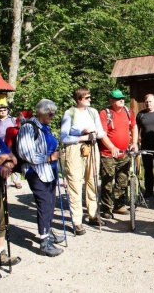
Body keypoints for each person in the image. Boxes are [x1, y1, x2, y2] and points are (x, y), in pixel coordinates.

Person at [17, 99, 65, 256]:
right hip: (36, 173)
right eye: (50, 113)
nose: (53, 115)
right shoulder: (28, 127)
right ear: (41, 112)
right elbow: (26, 153)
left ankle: (48, 232)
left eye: (54, 113)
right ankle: (44, 243)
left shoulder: (45, 128)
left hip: (49, 172)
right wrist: (50, 158)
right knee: (44, 204)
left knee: (50, 204)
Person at [60, 87, 106, 236]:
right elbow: (64, 137)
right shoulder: (70, 113)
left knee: (92, 181)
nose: (90, 100)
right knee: (75, 184)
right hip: (74, 149)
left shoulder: (93, 112)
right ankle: (77, 221)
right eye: (87, 98)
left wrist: (94, 132)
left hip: (92, 148)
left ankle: (93, 214)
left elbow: (101, 132)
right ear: (79, 99)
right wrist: (83, 135)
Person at [98, 89, 138, 219]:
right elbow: (102, 133)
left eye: (122, 98)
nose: (122, 100)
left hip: (124, 153)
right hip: (107, 154)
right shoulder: (105, 113)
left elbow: (134, 127)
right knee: (108, 181)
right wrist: (111, 147)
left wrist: (135, 142)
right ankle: (106, 208)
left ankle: (119, 205)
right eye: (118, 98)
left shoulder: (127, 111)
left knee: (122, 180)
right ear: (111, 100)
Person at [0, 136, 21, 265]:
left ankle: (0, 253)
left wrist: (6, 164)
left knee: (1, 220)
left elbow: (14, 160)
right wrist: (4, 158)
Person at [136, 94, 154, 198]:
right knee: (148, 169)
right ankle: (149, 190)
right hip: (145, 146)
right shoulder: (141, 114)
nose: (148, 103)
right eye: (146, 101)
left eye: (150, 101)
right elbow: (136, 130)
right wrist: (136, 142)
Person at [0, 104, 21, 189]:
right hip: (0, 144)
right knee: (3, 163)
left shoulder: (12, 120)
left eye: (4, 110)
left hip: (13, 144)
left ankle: (17, 181)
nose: (2, 111)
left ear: (7, 111)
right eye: (0, 110)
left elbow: (18, 129)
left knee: (13, 160)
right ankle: (6, 181)